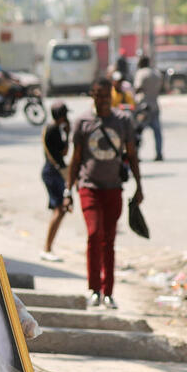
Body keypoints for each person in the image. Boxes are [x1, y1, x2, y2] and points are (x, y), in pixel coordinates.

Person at [65, 78, 143, 311]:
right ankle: (93, 289)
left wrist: (140, 186)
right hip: (89, 187)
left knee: (109, 240)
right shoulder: (82, 122)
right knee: (94, 234)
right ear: (92, 95)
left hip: (114, 188)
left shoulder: (123, 121)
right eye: (98, 96)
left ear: (111, 95)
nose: (102, 100)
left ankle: (108, 292)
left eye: (105, 96)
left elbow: (132, 155)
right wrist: (67, 190)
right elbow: (76, 159)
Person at [40, 101, 70, 262]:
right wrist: (68, 133)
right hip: (53, 172)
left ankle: (48, 247)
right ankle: (47, 248)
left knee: (61, 210)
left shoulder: (50, 128)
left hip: (52, 171)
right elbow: (63, 152)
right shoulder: (54, 130)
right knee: (59, 210)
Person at [133, 55, 164, 161]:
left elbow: (137, 88)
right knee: (157, 132)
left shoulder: (141, 73)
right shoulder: (156, 73)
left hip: (143, 107)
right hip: (155, 105)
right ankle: (159, 153)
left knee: (138, 131)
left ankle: (136, 154)